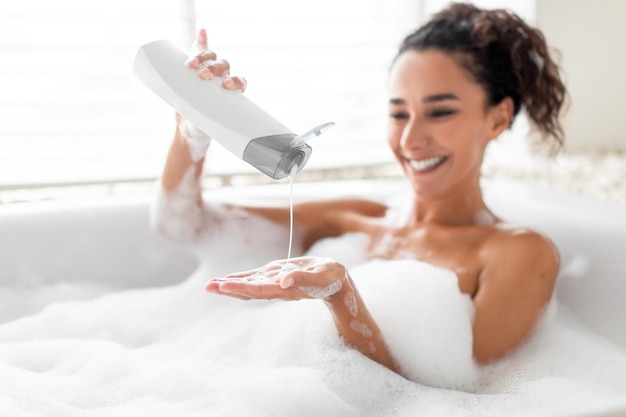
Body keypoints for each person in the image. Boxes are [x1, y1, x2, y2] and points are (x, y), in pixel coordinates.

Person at [153, 2, 567, 376]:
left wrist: (341, 297)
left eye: (440, 112)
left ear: (497, 119)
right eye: (398, 113)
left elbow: (454, 399)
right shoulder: (356, 217)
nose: (410, 140)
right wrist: (193, 132)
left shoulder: (517, 253)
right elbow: (185, 226)